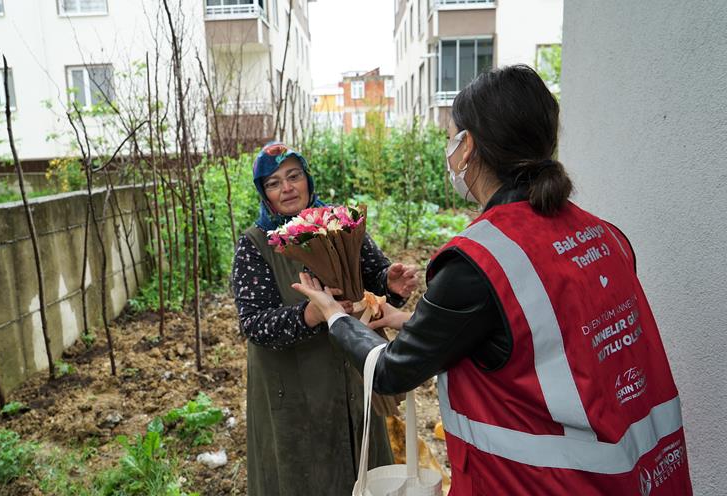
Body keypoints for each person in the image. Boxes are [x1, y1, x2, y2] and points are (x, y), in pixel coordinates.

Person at [292, 65, 693, 495]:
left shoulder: (479, 260)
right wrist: (406, 321)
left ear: (469, 147)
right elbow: (540, 336)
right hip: (642, 476)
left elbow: (392, 372)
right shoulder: (604, 235)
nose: (449, 148)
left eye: (452, 136)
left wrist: (335, 316)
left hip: (534, 484)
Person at [231, 142, 420, 496]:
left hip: (351, 375)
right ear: (264, 192)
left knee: (364, 469)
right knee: (306, 476)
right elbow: (254, 323)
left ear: (307, 178)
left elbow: (373, 275)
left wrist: (388, 283)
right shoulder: (255, 245)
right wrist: (309, 314)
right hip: (295, 388)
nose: (287, 188)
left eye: (293, 176)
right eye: (274, 183)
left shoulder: (339, 226)